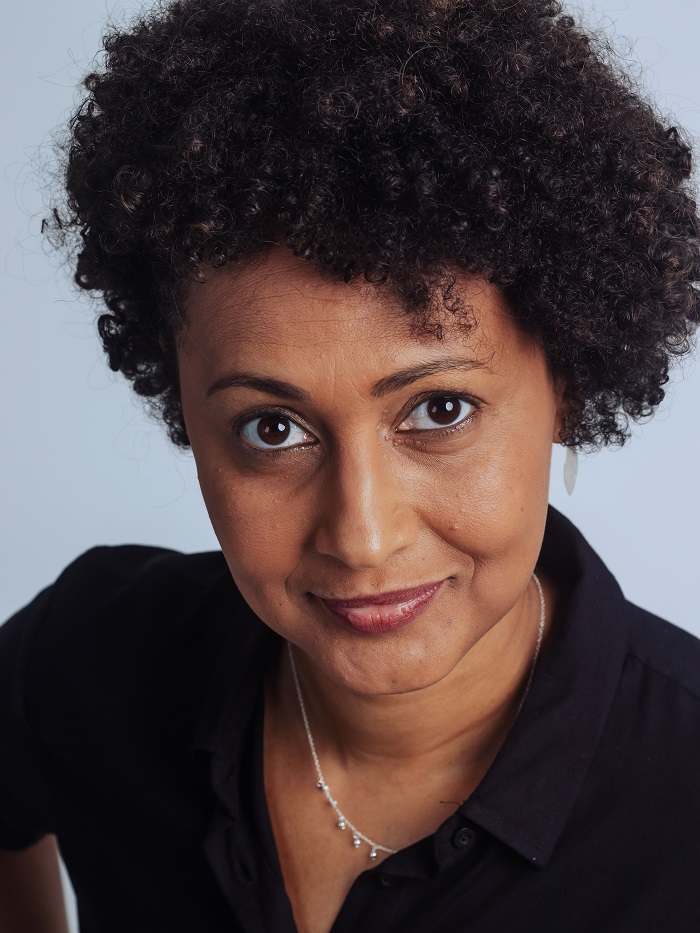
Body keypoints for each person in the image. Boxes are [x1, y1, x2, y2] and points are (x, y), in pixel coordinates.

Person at [1, 0, 699, 930]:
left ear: (564, 379)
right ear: (183, 400)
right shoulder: (92, 659)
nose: (362, 537)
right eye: (272, 428)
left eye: (439, 410)